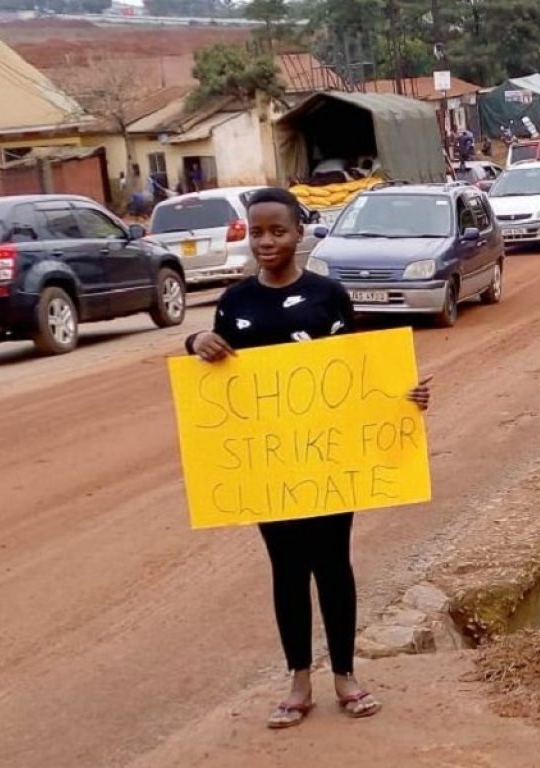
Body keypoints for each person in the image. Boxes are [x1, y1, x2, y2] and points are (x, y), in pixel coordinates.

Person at [184, 187, 432, 729]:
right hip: (267, 465)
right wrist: (197, 340)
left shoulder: (328, 296)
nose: (266, 241)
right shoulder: (236, 302)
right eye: (256, 232)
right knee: (287, 570)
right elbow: (213, 366)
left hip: (329, 460)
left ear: (300, 232)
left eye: (278, 230)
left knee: (333, 564)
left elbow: (356, 375)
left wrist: (404, 397)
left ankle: (345, 674)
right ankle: (299, 679)